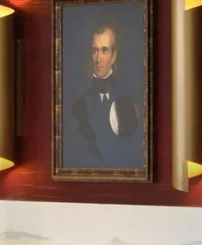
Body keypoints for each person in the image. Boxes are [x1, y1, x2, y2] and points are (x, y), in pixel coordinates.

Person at [59, 16, 145, 172]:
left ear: (114, 56)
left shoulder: (131, 95)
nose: (98, 58)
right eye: (94, 50)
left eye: (104, 50)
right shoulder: (74, 101)